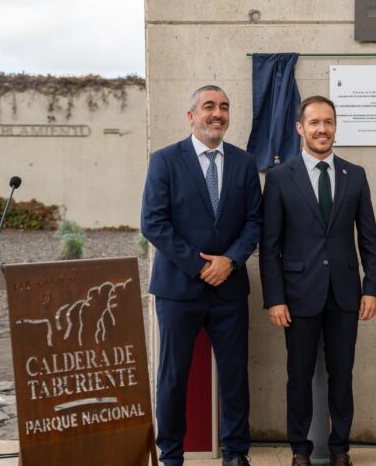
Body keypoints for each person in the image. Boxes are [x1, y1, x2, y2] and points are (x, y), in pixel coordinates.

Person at [141, 85, 262, 466]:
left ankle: (236, 452)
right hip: (178, 288)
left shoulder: (244, 163)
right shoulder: (164, 160)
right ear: (191, 115)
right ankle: (171, 454)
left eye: (224, 107)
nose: (218, 114)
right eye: (209, 106)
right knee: (173, 376)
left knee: (234, 375)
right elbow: (153, 223)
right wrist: (200, 266)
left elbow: (255, 221)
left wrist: (230, 260)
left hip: (229, 288)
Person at [259, 95, 376, 466]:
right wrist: (274, 298)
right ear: (300, 128)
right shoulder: (280, 178)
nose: (322, 129)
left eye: (328, 122)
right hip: (297, 296)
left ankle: (340, 447)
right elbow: (270, 246)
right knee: (298, 376)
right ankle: (300, 449)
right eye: (314, 122)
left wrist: (372, 288)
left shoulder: (355, 174)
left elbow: (370, 239)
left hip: (346, 294)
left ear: (335, 126)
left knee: (341, 376)